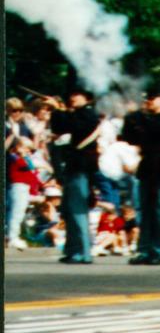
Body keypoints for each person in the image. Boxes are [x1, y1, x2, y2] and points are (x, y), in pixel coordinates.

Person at [119, 89, 160, 265]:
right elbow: (129, 137)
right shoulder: (144, 118)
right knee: (145, 209)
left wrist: (138, 114)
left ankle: (159, 251)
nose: (150, 101)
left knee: (159, 208)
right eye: (148, 99)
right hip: (147, 164)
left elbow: (158, 129)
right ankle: (144, 250)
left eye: (154, 98)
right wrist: (130, 117)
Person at [45, 88, 103, 264]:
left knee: (78, 210)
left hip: (82, 167)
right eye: (71, 94)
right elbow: (58, 128)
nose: (72, 97)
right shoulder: (77, 114)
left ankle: (84, 252)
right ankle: (72, 249)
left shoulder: (88, 115)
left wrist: (59, 110)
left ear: (87, 98)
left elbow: (72, 125)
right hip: (73, 166)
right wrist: (57, 111)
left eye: (76, 95)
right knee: (69, 210)